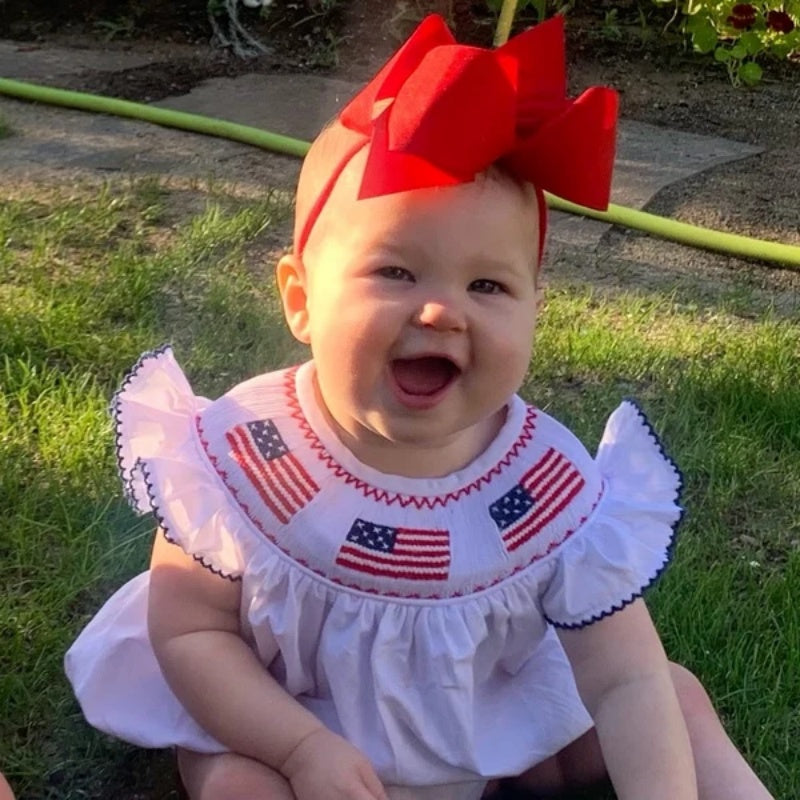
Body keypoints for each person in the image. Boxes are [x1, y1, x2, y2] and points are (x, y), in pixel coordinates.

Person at [65, 14, 773, 800]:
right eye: (396, 273)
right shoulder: (245, 455)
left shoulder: (548, 488)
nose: (441, 312)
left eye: (488, 286)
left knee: (670, 696)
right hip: (287, 724)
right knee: (236, 783)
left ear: (536, 310)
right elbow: (190, 630)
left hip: (478, 724)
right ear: (301, 300)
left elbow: (624, 677)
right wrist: (300, 749)